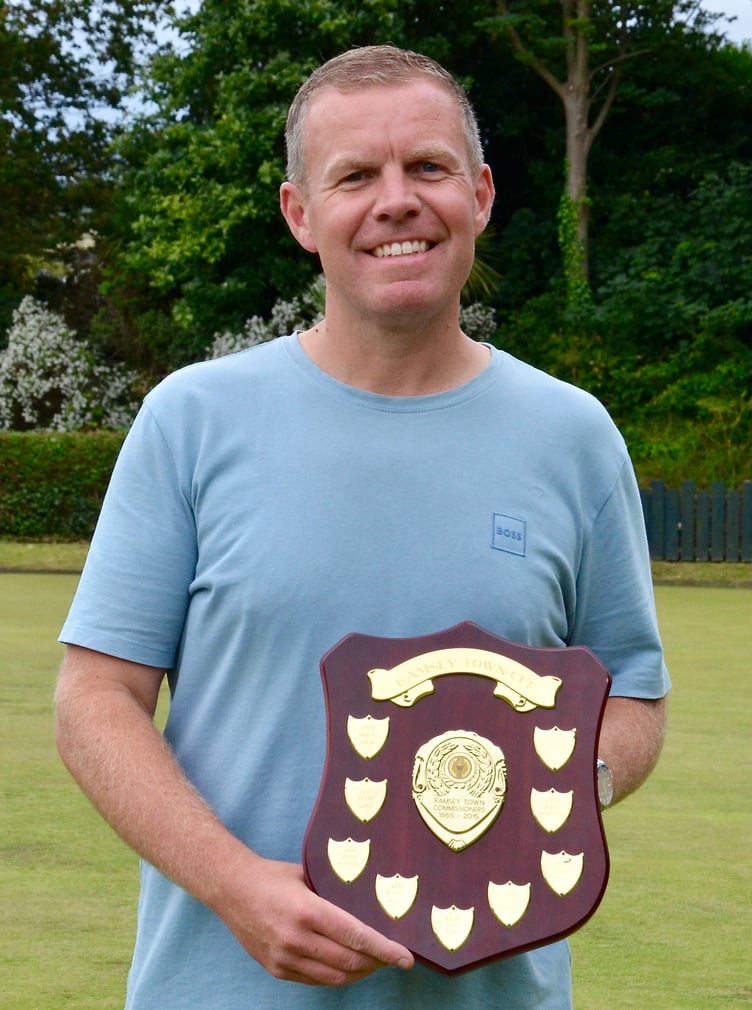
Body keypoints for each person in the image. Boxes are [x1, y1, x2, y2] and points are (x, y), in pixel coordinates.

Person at [55, 45, 669, 1010]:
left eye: (427, 167)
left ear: (483, 193)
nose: (396, 202)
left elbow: (631, 693)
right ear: (302, 214)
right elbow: (95, 701)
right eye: (355, 176)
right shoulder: (193, 419)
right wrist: (237, 886)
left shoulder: (574, 436)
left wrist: (556, 793)